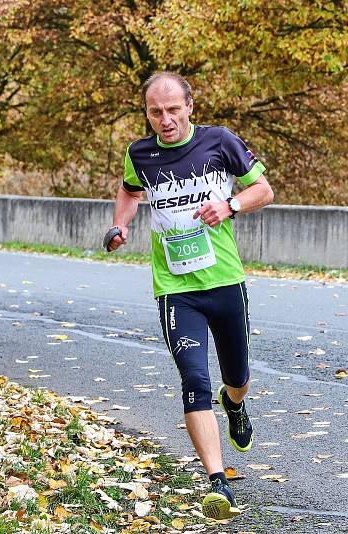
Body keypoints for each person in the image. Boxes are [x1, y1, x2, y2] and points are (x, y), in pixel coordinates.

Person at [105, 71, 274, 520]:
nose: (165, 120)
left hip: (224, 281)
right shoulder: (139, 154)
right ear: (147, 113)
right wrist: (121, 226)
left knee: (237, 375)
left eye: (172, 110)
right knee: (193, 380)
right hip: (175, 289)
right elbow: (129, 192)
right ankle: (218, 482)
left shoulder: (219, 142)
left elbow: (264, 189)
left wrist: (230, 205)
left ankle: (235, 404)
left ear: (189, 107)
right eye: (155, 112)